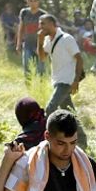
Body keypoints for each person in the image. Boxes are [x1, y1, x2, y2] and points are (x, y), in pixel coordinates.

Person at [37, 14, 87, 148]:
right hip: (58, 79)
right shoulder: (48, 40)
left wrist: (76, 80)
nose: (41, 26)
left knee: (50, 108)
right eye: (40, 24)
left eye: (44, 23)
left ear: (53, 24)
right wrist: (40, 40)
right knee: (69, 111)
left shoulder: (66, 39)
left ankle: (48, 139)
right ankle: (82, 139)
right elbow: (42, 57)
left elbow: (79, 58)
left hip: (67, 80)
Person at [16, 0, 46, 79]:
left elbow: (46, 32)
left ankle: (41, 88)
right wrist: (18, 44)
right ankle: (29, 87)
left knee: (40, 69)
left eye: (35, 1)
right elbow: (21, 29)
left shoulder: (43, 14)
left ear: (38, 1)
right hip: (28, 44)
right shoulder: (24, 12)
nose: (33, 3)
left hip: (40, 45)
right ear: (27, 1)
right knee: (27, 68)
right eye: (31, 0)